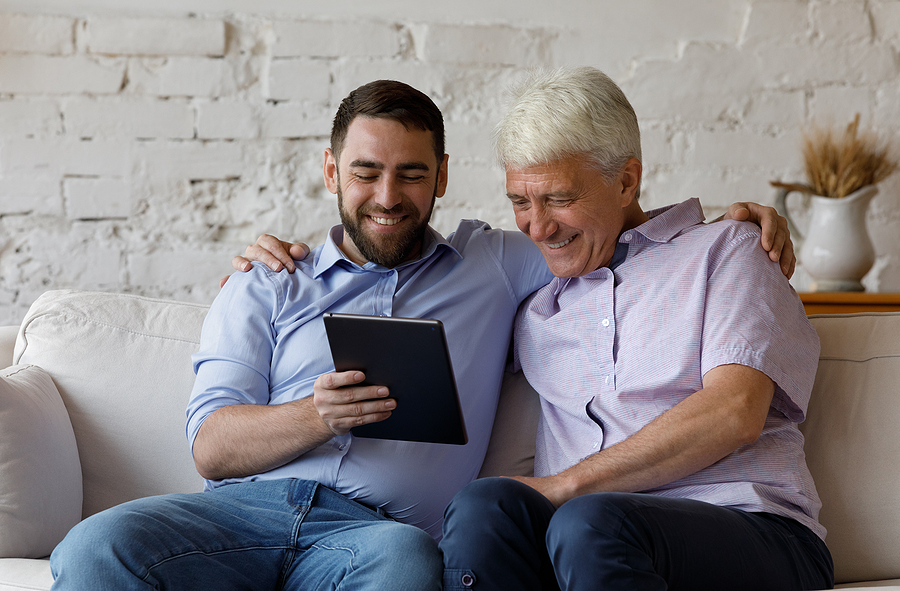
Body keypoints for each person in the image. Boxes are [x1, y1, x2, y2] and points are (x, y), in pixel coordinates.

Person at [50, 78, 795, 591]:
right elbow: (210, 445)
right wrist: (315, 415)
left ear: (441, 177)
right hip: (243, 512)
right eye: (366, 172)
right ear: (331, 171)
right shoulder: (267, 279)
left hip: (379, 534)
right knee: (93, 547)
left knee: (408, 564)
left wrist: (733, 221)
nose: (385, 196)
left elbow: (608, 240)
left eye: (410, 174)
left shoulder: (501, 264)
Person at [436, 67, 834, 591]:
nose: (538, 226)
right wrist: (293, 265)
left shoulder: (726, 252)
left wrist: (565, 486)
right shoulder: (532, 296)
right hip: (580, 540)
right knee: (483, 506)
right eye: (520, 202)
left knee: (590, 521)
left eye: (558, 198)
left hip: (753, 530)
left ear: (626, 181)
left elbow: (735, 412)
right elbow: (408, 279)